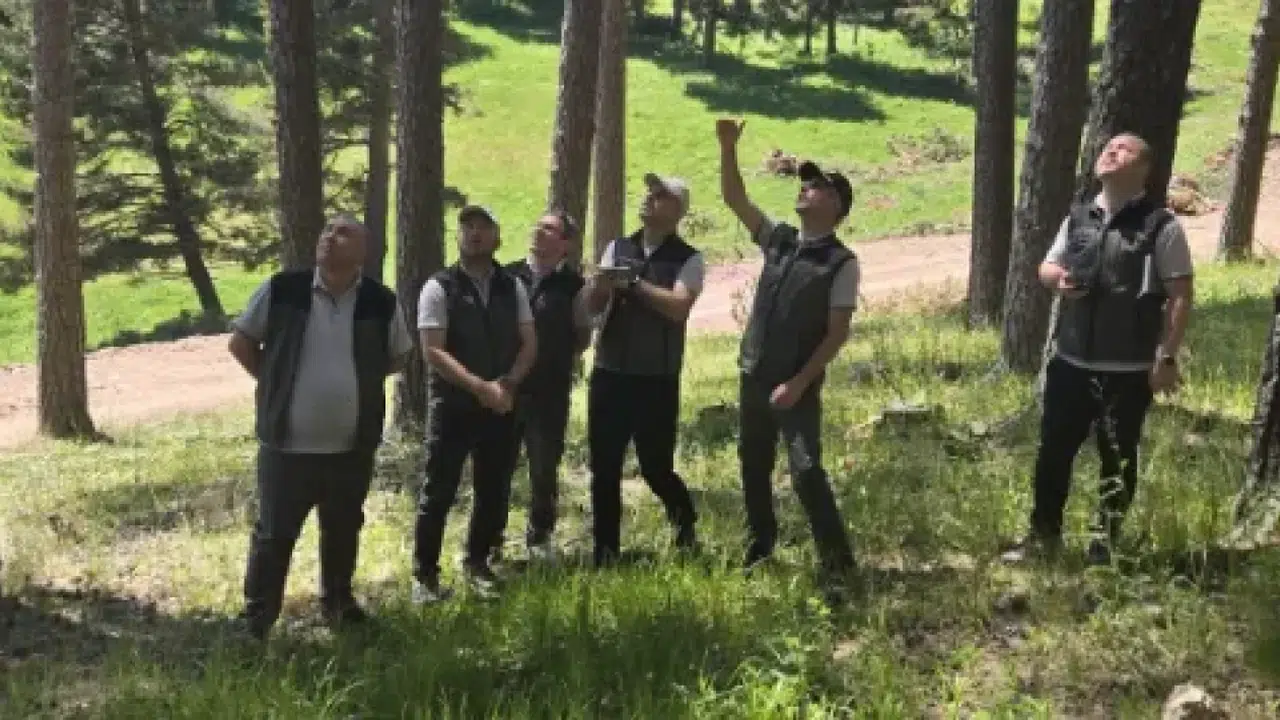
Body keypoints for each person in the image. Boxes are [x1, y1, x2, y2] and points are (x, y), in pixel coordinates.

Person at [1002, 132, 1194, 566]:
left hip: (1128, 369)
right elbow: (1047, 265)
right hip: (1070, 362)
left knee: (1117, 458)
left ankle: (1104, 548)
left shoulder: (1160, 225)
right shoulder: (1079, 217)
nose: (1110, 151)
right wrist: (1058, 280)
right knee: (1053, 452)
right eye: (1108, 147)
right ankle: (1042, 539)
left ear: (1143, 168)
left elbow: (1181, 294)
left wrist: (1166, 356)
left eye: (1124, 149)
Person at [228, 214, 413, 640]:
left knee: (344, 529)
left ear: (363, 252)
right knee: (274, 534)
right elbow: (241, 342)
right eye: (327, 230)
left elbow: (398, 356)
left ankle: (339, 605)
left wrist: (354, 384)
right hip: (286, 446)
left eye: (343, 232)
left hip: (351, 447)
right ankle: (257, 618)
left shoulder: (379, 302)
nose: (330, 236)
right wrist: (276, 384)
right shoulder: (283, 290)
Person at [716, 118, 860, 586]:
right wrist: (727, 147)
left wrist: (798, 384)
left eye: (816, 187)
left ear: (836, 205)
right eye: (805, 184)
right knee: (753, 466)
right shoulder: (779, 240)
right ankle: (759, 549)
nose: (804, 189)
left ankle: (838, 566)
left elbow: (836, 334)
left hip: (796, 384)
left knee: (806, 470)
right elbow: (735, 200)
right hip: (754, 374)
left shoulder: (841, 262)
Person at [412, 205, 536, 602]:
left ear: (498, 238)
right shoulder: (439, 287)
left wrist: (509, 384)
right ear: (458, 237)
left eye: (483, 227)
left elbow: (529, 341)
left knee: (493, 488)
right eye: (467, 226)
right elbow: (433, 351)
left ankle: (477, 563)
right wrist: (479, 387)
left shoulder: (512, 286)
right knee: (439, 491)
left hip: (501, 403)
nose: (475, 233)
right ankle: (425, 577)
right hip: (453, 406)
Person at [583, 173, 705, 566]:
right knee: (604, 468)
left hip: (657, 378)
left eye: (660, 196)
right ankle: (605, 554)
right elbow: (593, 306)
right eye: (649, 193)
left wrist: (633, 284)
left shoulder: (689, 259)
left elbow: (679, 307)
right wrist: (601, 286)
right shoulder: (617, 247)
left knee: (655, 468)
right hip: (609, 372)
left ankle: (685, 523)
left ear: (678, 211)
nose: (649, 199)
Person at [488, 210, 593, 562]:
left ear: (566, 244)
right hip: (505, 389)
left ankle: (540, 538)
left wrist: (553, 357)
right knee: (497, 467)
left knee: (544, 469)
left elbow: (582, 337)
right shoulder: (505, 277)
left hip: (550, 393)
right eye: (538, 226)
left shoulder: (573, 287)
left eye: (549, 229)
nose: (539, 232)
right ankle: (490, 539)